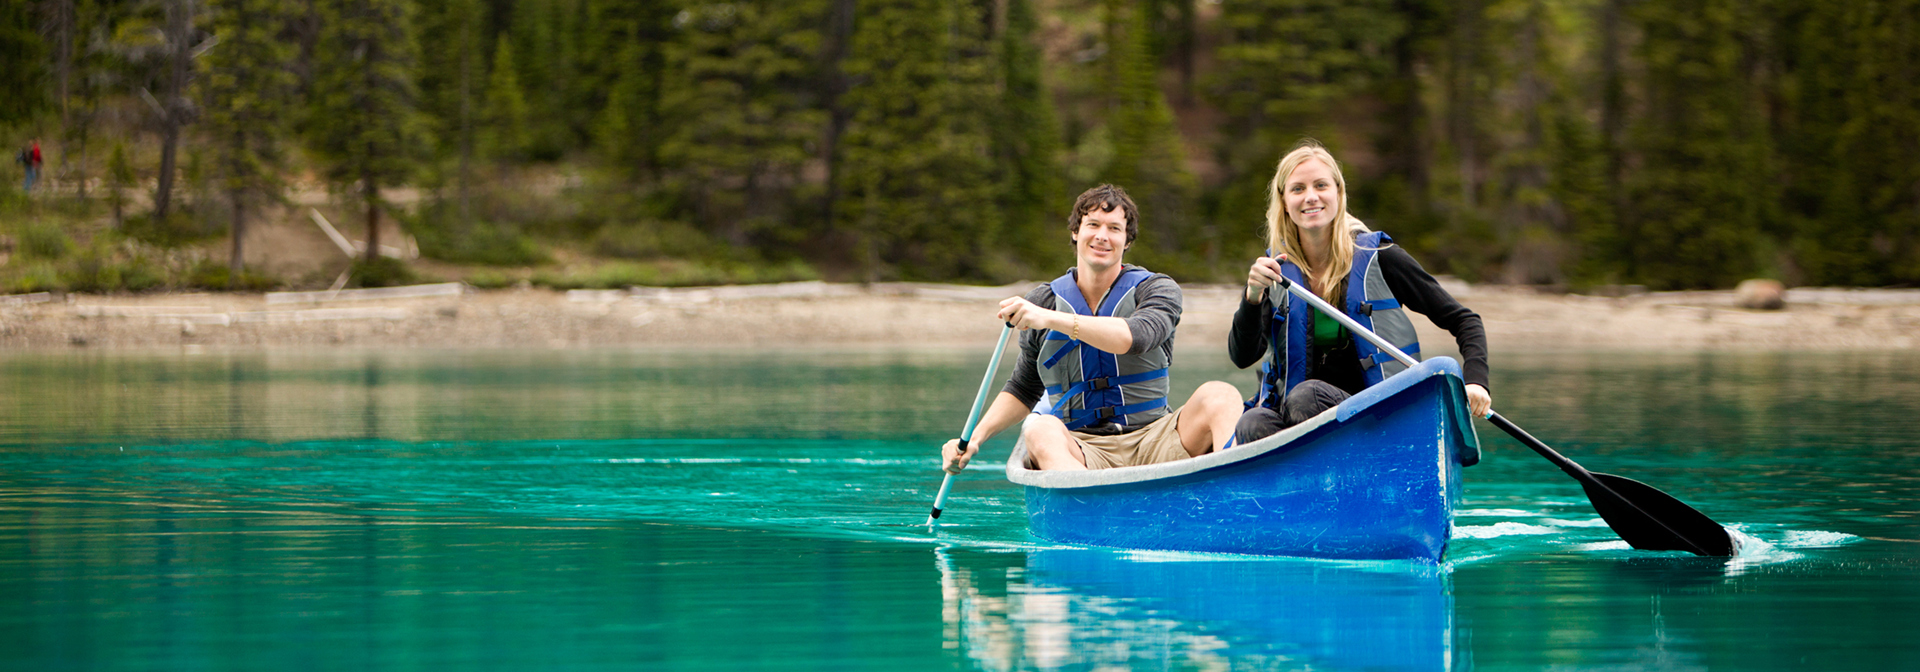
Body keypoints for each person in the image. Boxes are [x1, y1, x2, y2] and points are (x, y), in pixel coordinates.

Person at [943, 184, 1244, 473]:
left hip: (1155, 437)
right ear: (1076, 232)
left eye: (1114, 228)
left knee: (1221, 395)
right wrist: (972, 440)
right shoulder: (1044, 300)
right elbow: (1024, 388)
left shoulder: (1157, 289)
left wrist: (1050, 319)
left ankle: (1231, 492)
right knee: (1038, 429)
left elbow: (1136, 337)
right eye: (1093, 225)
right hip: (1083, 447)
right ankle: (1092, 505)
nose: (1102, 236)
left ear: (1127, 241)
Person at [1230, 140, 1492, 445]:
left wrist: (1476, 382)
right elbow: (1242, 356)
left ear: (1339, 194)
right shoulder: (1276, 273)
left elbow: (1465, 320)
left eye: (1321, 185)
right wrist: (1252, 296)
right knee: (1251, 422)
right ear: (1284, 202)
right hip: (1300, 414)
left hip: (1380, 412)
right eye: (1298, 189)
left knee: (1306, 396)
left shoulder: (1381, 258)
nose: (1311, 197)